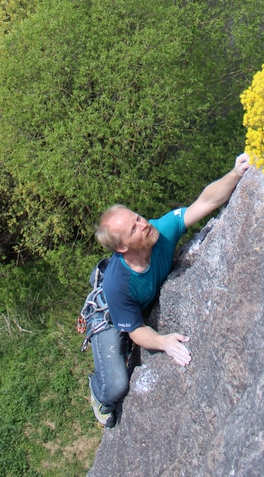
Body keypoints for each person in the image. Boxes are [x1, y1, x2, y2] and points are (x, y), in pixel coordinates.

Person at [88, 153, 250, 427]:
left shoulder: (158, 233)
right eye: (134, 228)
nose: (144, 224)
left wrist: (235, 174)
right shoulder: (118, 283)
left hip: (136, 303)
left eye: (138, 218)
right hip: (108, 313)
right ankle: (97, 394)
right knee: (116, 386)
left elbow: (205, 202)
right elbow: (135, 330)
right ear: (122, 248)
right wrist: (164, 342)